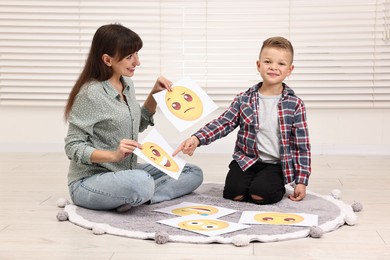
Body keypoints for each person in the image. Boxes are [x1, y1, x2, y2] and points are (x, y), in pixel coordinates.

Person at [64, 24, 203, 212]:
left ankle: (140, 197)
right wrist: (114, 155)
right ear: (107, 60)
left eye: (136, 54)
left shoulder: (126, 84)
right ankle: (139, 193)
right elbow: (73, 146)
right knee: (141, 182)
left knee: (192, 172)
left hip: (125, 172)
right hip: (89, 180)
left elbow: (138, 123)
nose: (137, 62)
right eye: (129, 57)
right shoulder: (90, 94)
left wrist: (155, 94)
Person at [173, 36, 311, 205]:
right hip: (246, 160)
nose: (274, 67)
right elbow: (224, 123)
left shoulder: (295, 104)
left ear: (289, 70)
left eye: (281, 64)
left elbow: (301, 145)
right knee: (233, 194)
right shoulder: (244, 99)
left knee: (260, 195)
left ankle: (271, 183)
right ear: (259, 65)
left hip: (275, 164)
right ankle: (251, 181)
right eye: (268, 62)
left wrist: (302, 180)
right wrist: (197, 138)